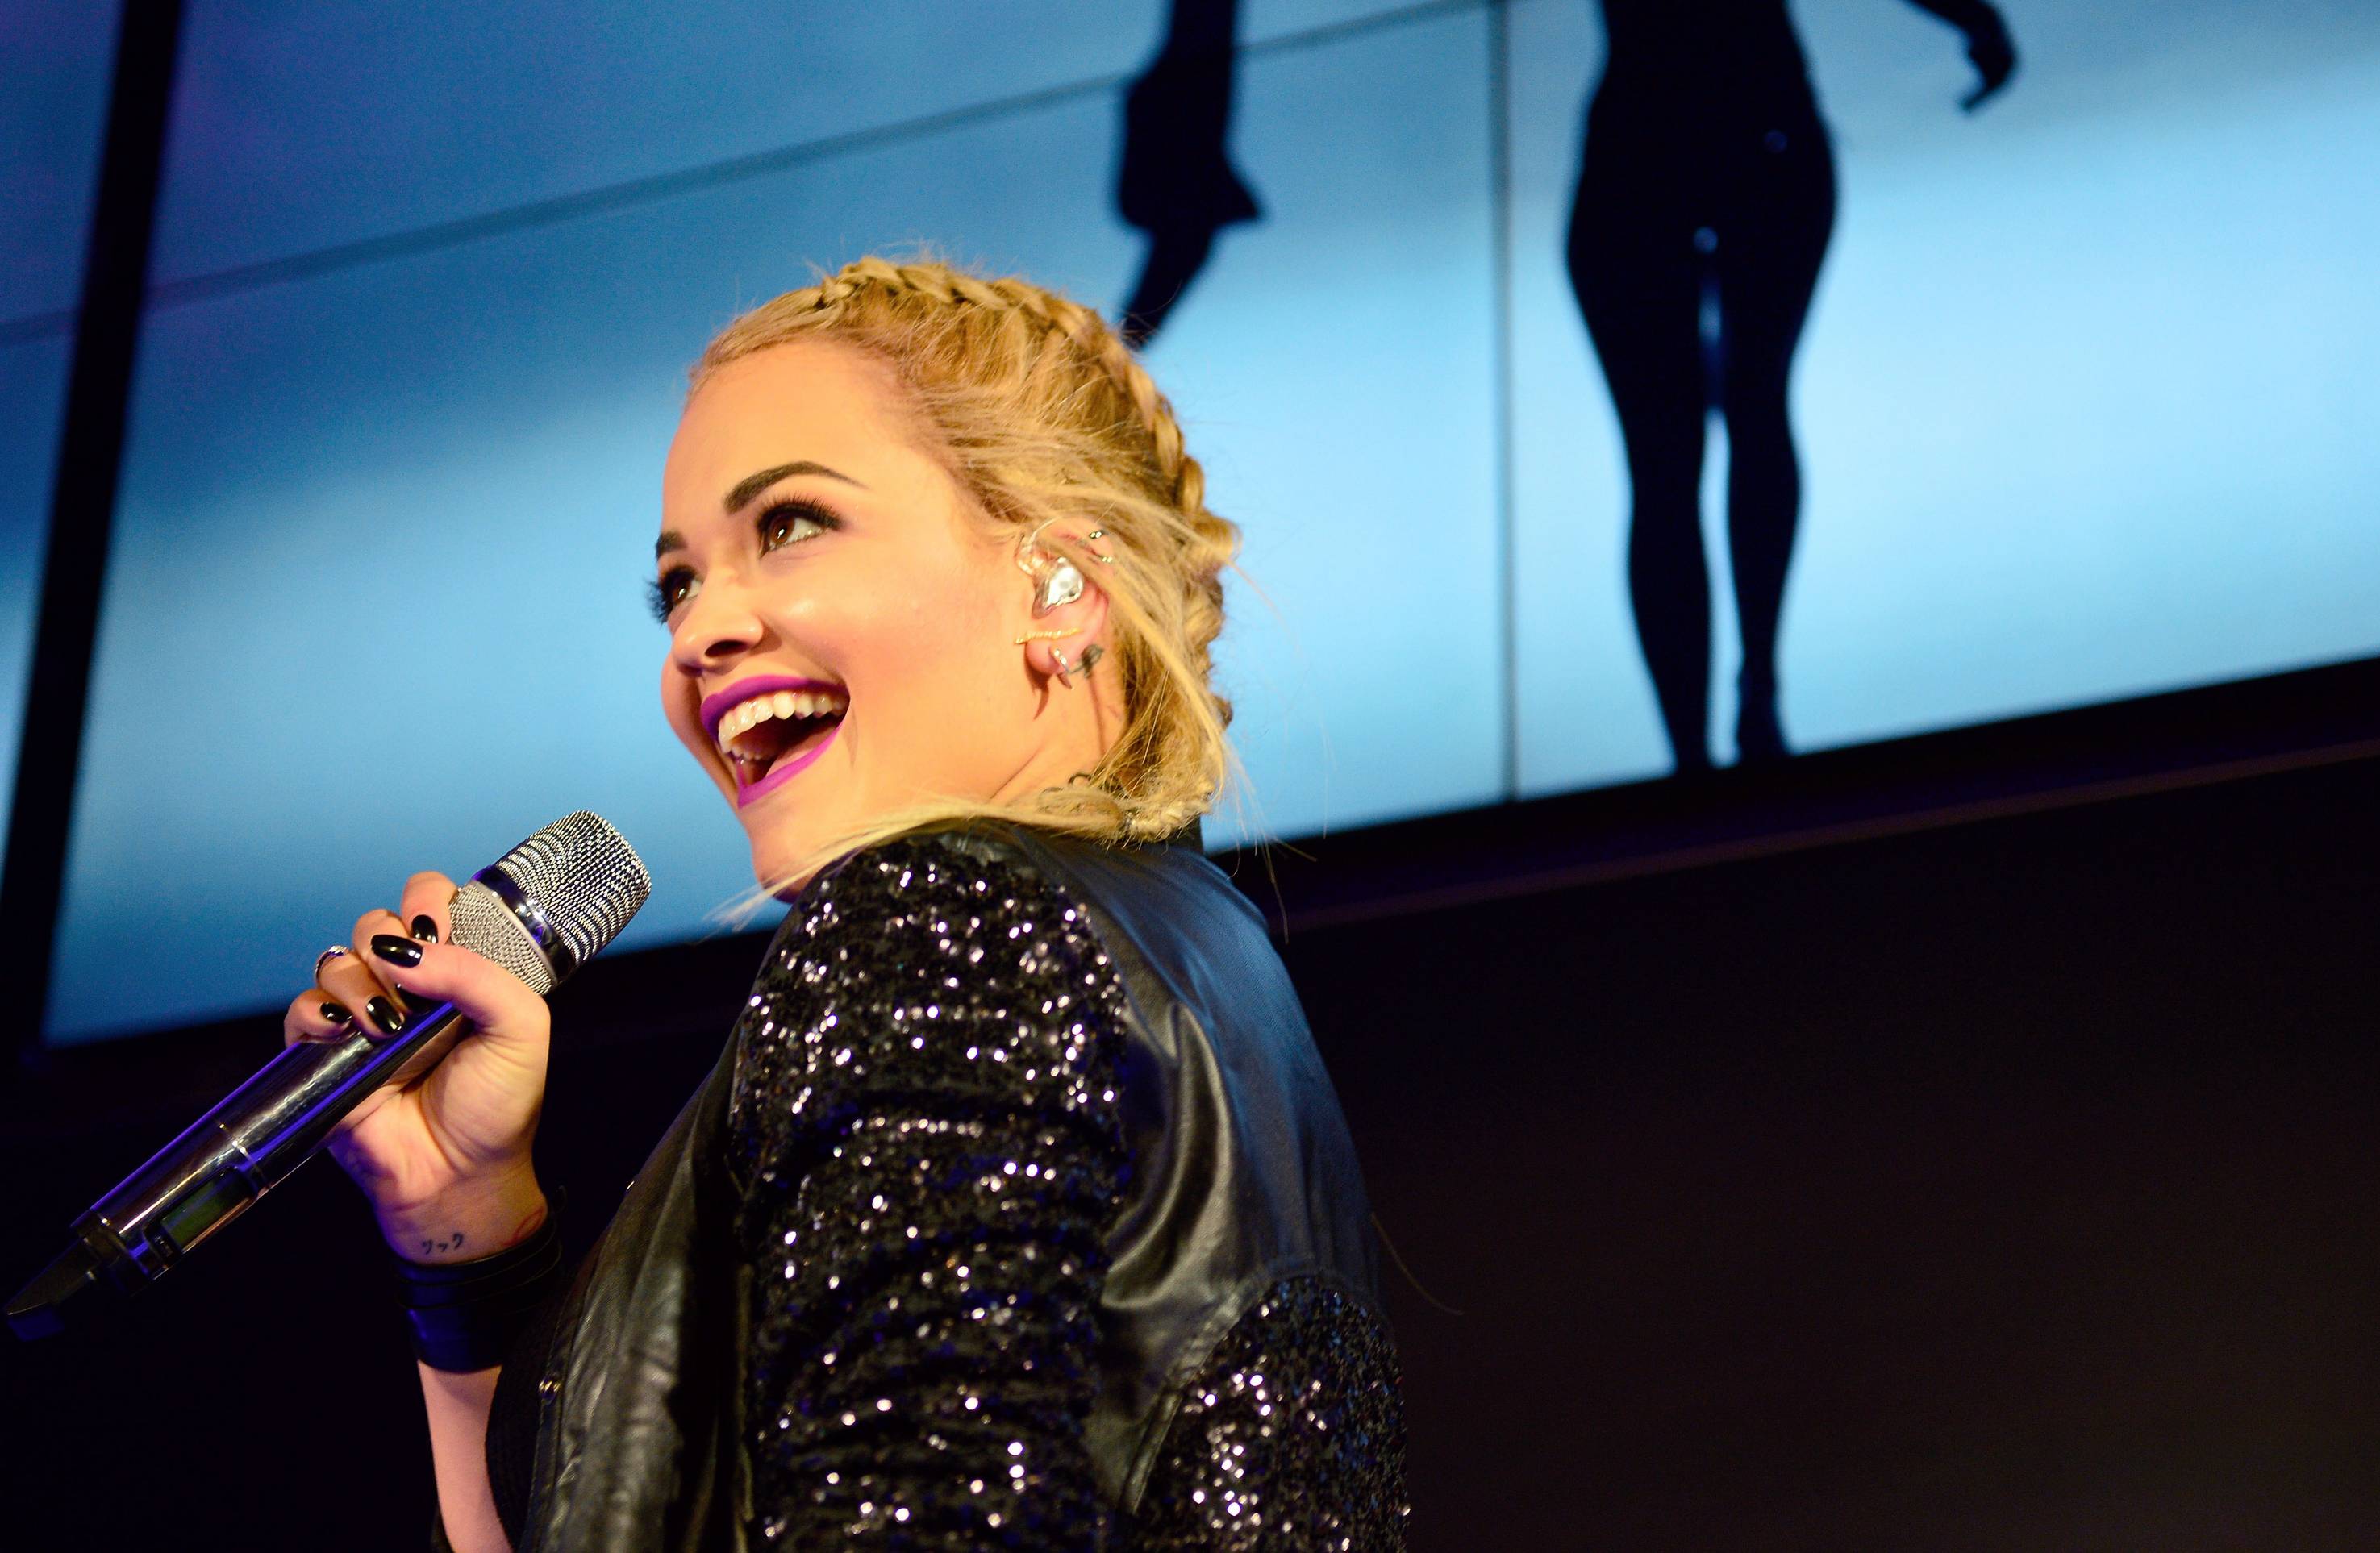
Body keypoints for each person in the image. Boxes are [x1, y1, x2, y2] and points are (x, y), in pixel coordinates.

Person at [286, 256, 1409, 1551]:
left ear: (1059, 583)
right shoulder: (1201, 970)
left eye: (791, 524)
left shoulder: (949, 920)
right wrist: (462, 1230)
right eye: (677, 584)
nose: (697, 632)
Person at [1565, 0, 2016, 769]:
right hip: (1755, 134)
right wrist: (1977, 22)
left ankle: (1697, 751)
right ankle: (1753, 703)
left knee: (1670, 463)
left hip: (1647, 155)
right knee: (1747, 416)